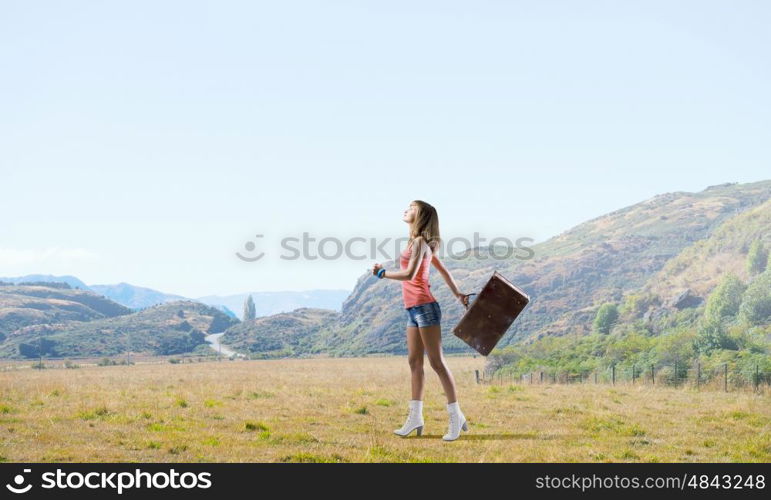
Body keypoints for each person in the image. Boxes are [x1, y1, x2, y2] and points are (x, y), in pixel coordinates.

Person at [370, 200, 473, 441]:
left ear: (422, 215)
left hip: (425, 308)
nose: (405, 209)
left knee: (437, 363)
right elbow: (443, 270)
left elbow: (409, 274)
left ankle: (455, 416)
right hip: (412, 309)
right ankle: (415, 418)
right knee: (414, 363)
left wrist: (382, 274)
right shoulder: (420, 243)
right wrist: (458, 293)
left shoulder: (420, 243)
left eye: (411, 207)